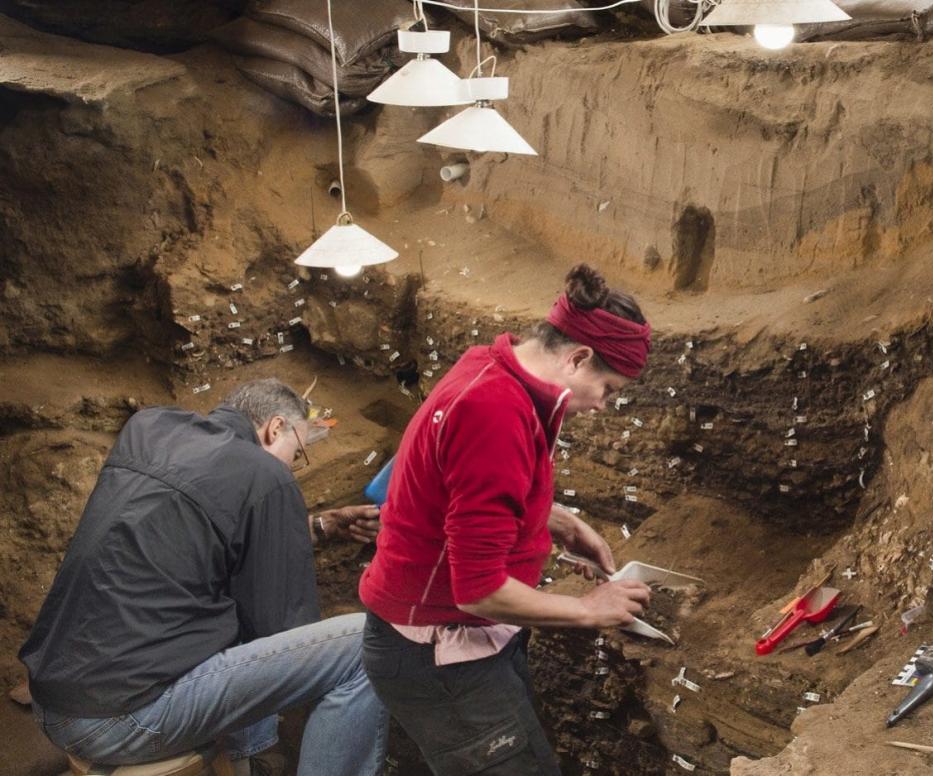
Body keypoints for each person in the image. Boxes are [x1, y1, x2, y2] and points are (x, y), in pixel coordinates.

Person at [359, 264, 653, 775]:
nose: (604, 406)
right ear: (578, 358)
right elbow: (478, 589)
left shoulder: (495, 367)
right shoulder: (493, 412)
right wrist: (588, 608)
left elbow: (463, 493)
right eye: (608, 389)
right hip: (439, 656)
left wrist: (552, 521)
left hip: (463, 643)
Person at [20, 378, 389, 776]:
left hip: (53, 700)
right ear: (275, 428)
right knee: (363, 646)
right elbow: (283, 630)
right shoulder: (266, 474)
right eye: (297, 453)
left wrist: (318, 525)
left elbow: (206, 538)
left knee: (228, 602)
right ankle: (259, 757)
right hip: (120, 722)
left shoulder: (149, 429)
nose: (292, 467)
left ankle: (252, 760)